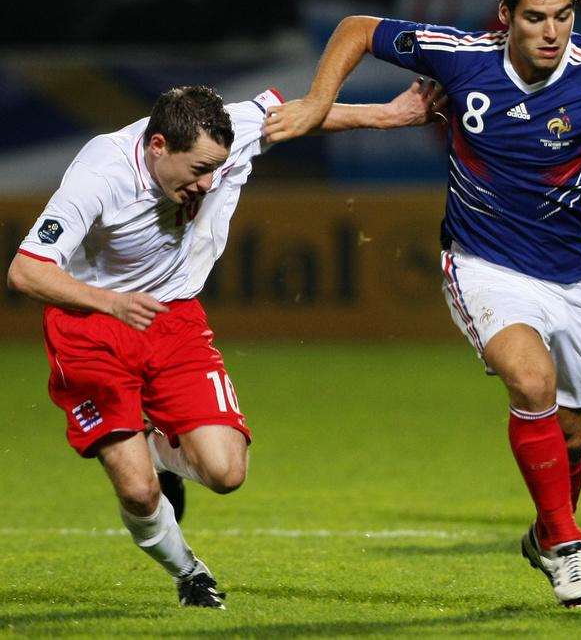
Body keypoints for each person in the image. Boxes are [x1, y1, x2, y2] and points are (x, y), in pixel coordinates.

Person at [262, 0, 581, 608]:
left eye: (563, 16)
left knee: (572, 434)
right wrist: (313, 101)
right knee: (530, 378)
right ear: (504, 14)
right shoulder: (462, 56)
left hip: (572, 274)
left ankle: (544, 529)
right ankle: (568, 545)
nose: (551, 32)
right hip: (481, 261)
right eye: (535, 17)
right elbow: (357, 30)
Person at [7, 81, 443, 608]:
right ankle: (190, 573)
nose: (208, 183)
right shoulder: (99, 176)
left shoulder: (221, 131)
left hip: (173, 319)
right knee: (138, 492)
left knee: (226, 472)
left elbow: (294, 115)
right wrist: (110, 302)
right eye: (197, 171)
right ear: (159, 145)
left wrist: (388, 113)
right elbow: (26, 272)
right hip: (90, 327)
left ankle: (161, 458)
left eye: (216, 168)